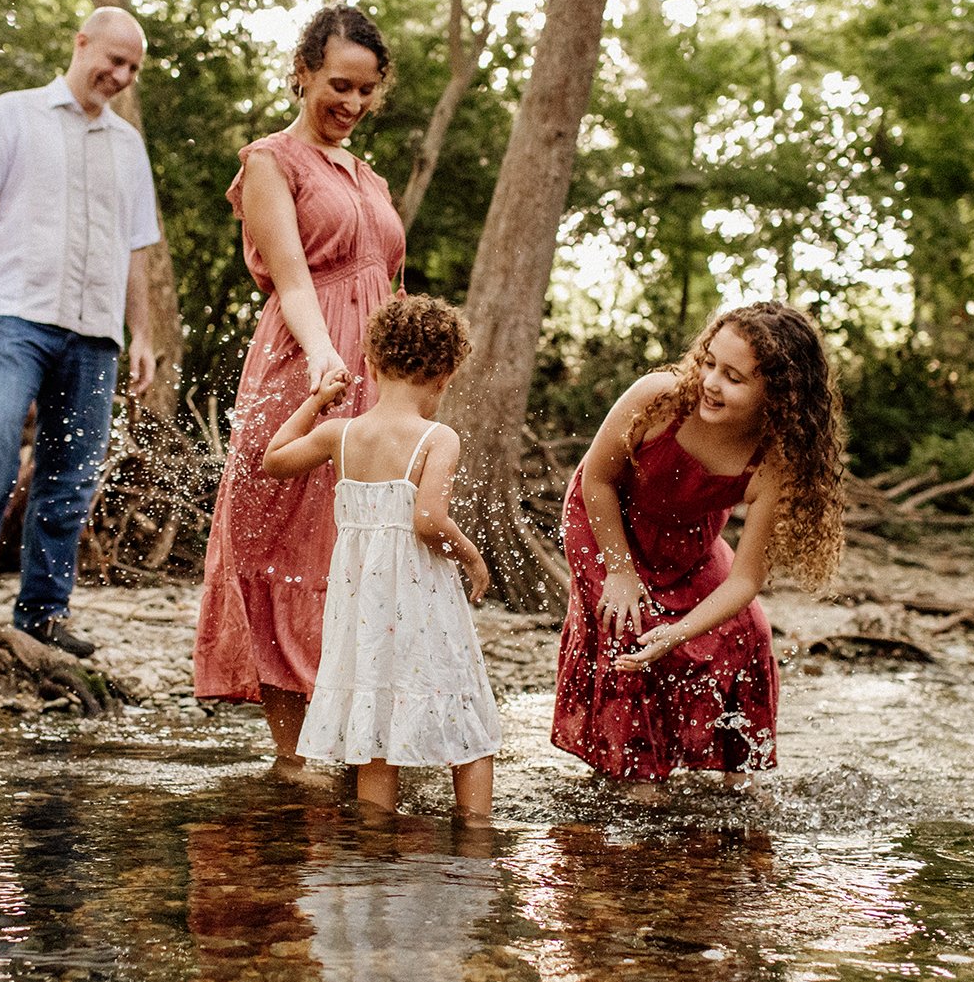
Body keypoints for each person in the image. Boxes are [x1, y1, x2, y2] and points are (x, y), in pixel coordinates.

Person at [193, 4, 406, 772]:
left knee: (359, 544)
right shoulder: (269, 162)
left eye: (365, 92)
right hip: (302, 366)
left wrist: (411, 386)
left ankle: (352, 738)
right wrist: (323, 362)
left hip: (377, 376)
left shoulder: (372, 177)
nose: (350, 104)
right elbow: (291, 281)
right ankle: (293, 754)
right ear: (303, 73)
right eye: (338, 85)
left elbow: (393, 286)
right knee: (286, 543)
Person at [0, 7, 163, 652]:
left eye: (132, 67)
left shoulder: (128, 146)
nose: (121, 75)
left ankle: (45, 611)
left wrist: (143, 333)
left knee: (71, 470)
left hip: (95, 332)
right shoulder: (10, 114)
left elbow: (137, 247)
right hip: (13, 316)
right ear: (80, 44)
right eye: (113, 59)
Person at [552, 301, 846, 787]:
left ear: (779, 394)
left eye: (733, 377)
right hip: (606, 522)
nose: (710, 381)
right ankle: (639, 783)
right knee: (632, 626)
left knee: (748, 632)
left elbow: (747, 579)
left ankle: (739, 783)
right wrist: (621, 574)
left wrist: (680, 632)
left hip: (689, 541)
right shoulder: (660, 398)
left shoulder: (773, 463)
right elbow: (597, 480)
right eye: (709, 362)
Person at [260, 296, 499, 822]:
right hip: (424, 605)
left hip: (365, 612)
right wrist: (471, 553)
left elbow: (272, 460)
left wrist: (317, 401)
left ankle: (370, 845)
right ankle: (477, 838)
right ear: (444, 377)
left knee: (376, 727)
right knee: (469, 723)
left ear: (369, 363)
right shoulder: (438, 437)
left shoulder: (339, 433)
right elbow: (428, 519)